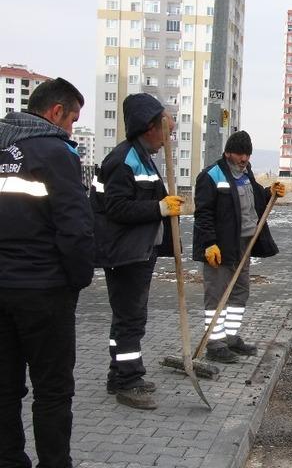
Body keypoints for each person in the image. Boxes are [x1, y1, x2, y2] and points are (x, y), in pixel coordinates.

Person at [0, 77, 93, 467]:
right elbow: (75, 227)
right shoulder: (56, 152)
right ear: (56, 112)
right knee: (52, 390)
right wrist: (78, 279)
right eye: (72, 120)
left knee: (4, 388)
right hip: (43, 290)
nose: (71, 129)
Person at [90, 93, 182, 410]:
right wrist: (159, 207)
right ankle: (129, 382)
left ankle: (119, 374)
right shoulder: (123, 160)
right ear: (149, 127)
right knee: (130, 319)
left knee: (128, 318)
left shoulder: (142, 157)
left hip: (139, 251)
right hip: (125, 253)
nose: (167, 139)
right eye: (165, 131)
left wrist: (165, 206)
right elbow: (116, 208)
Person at [192, 131, 284, 363]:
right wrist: (209, 244)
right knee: (216, 295)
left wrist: (270, 192)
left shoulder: (246, 173)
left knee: (240, 291)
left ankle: (230, 337)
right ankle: (215, 344)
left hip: (244, 243)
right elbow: (203, 214)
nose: (244, 159)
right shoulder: (211, 176)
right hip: (220, 247)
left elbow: (256, 199)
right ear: (228, 153)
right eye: (240, 154)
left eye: (247, 154)